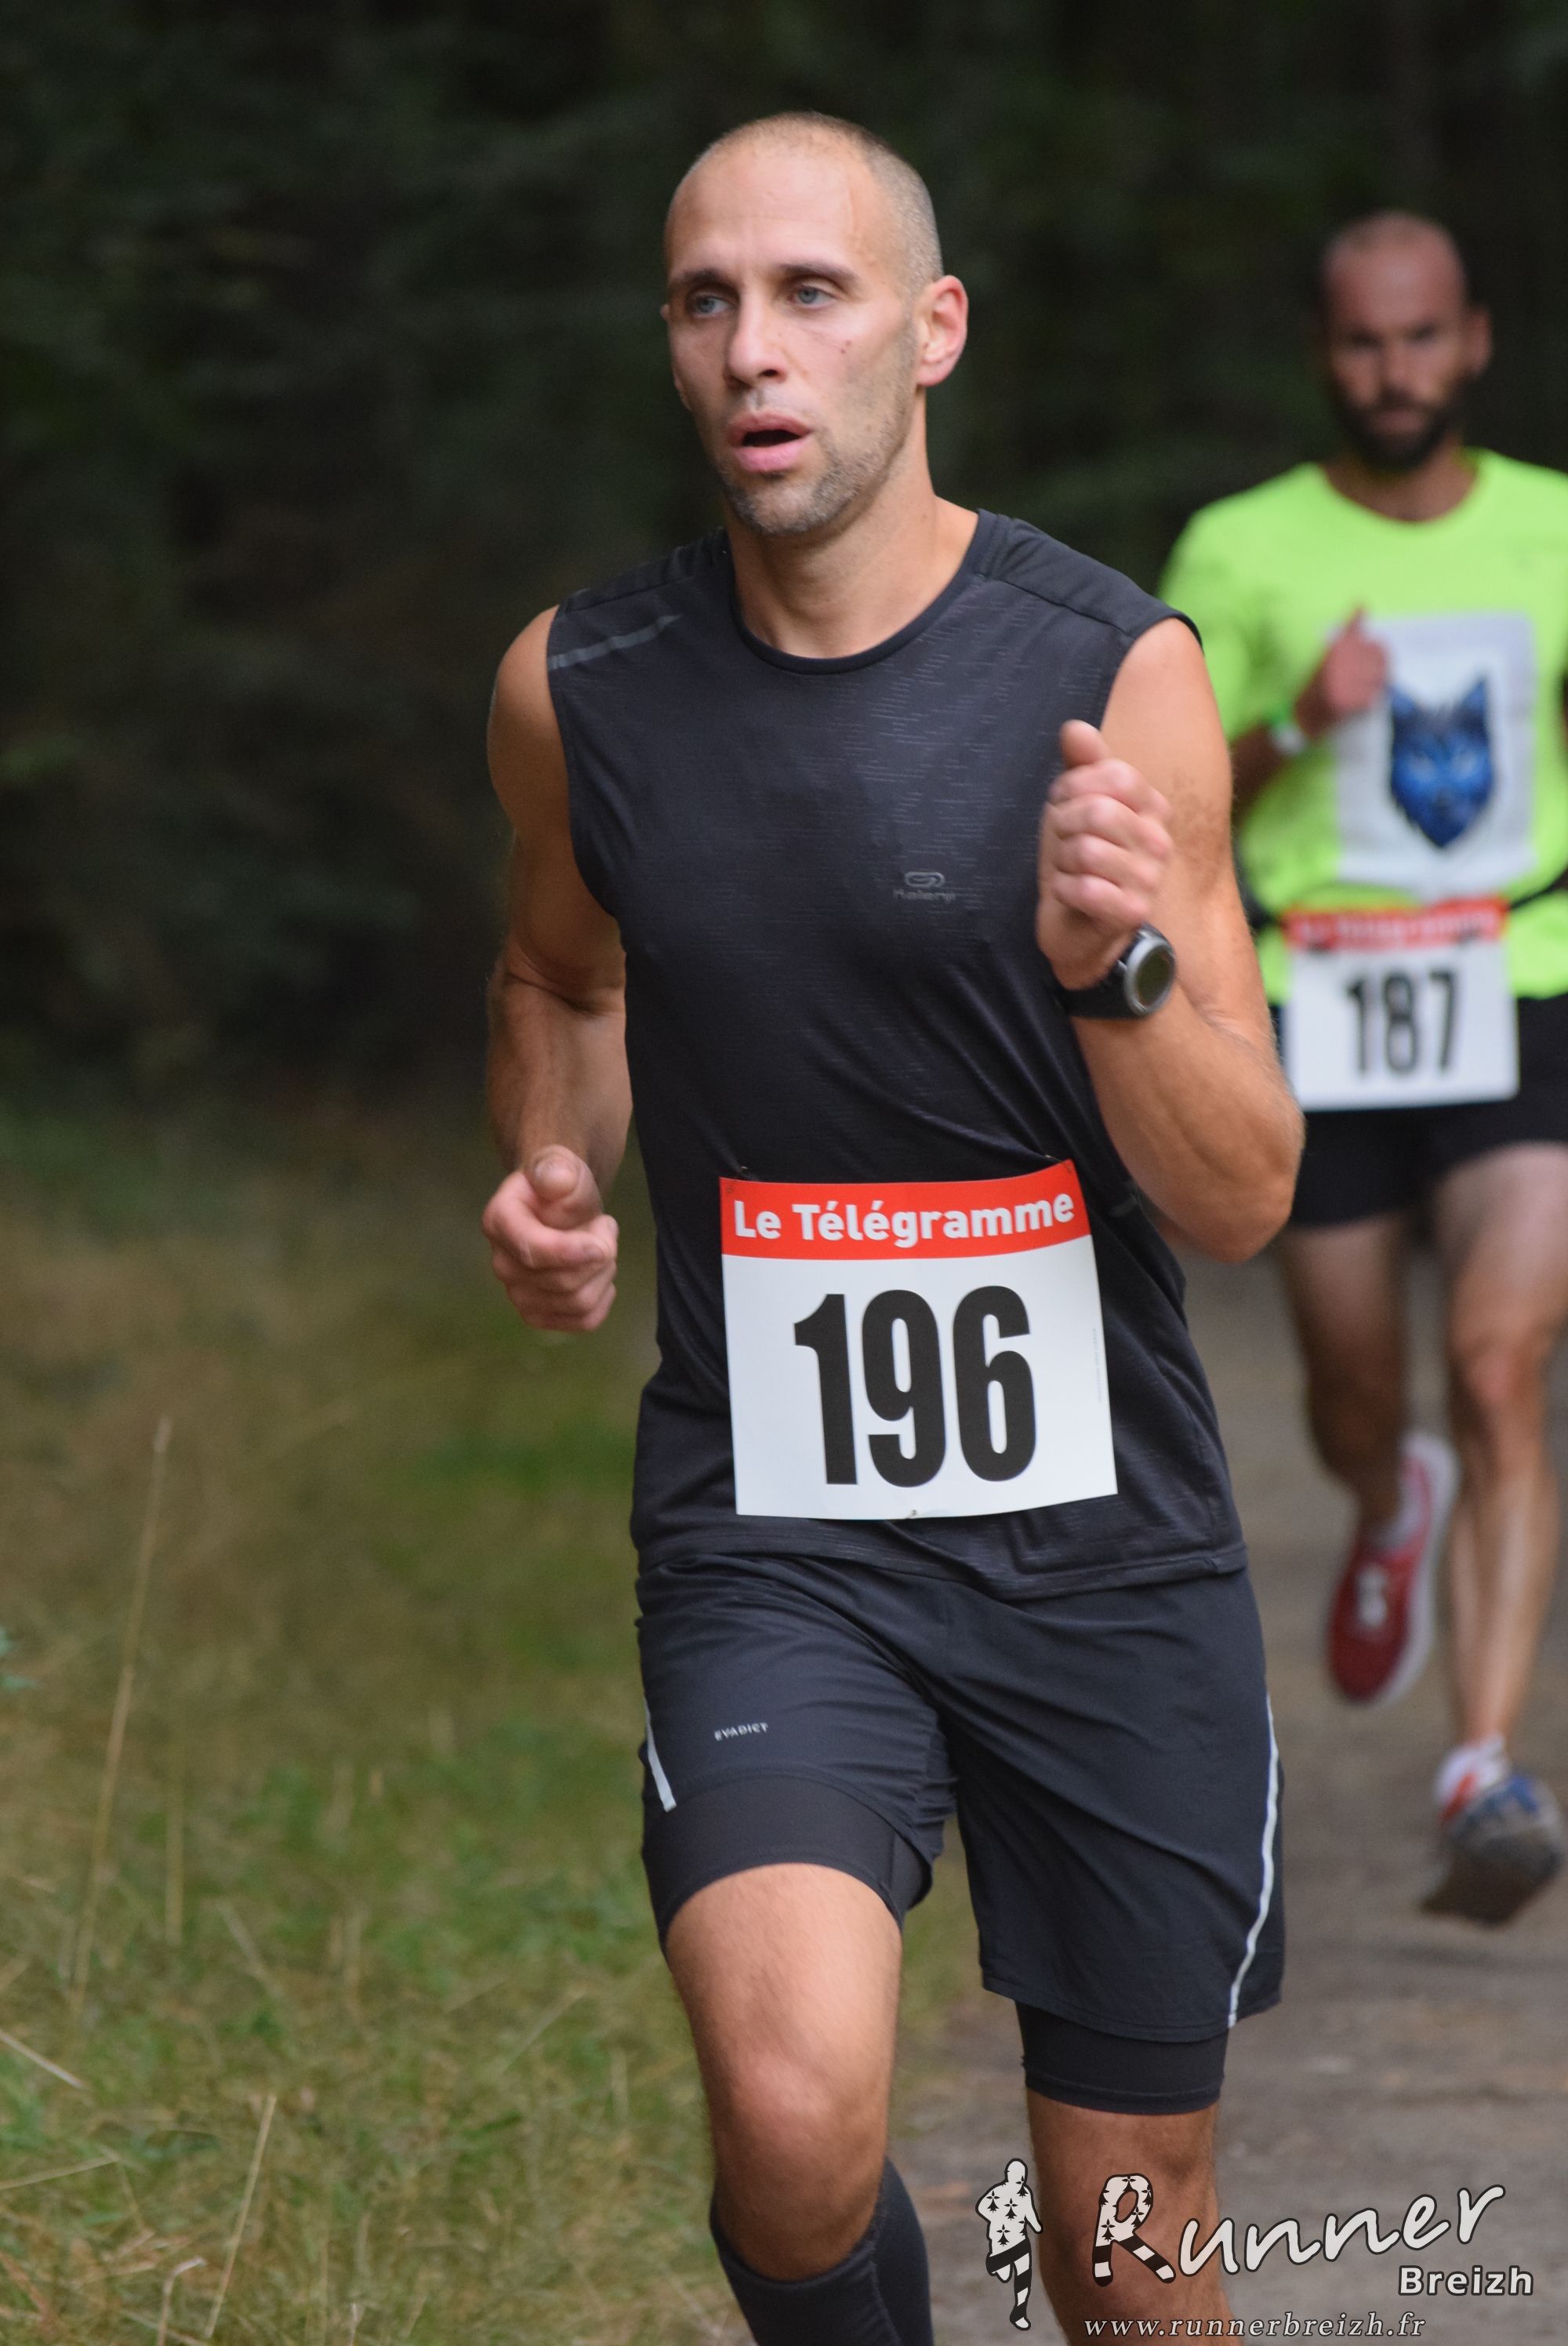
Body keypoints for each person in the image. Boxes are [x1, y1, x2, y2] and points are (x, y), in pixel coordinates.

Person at [483, 111, 1301, 2344]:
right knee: (788, 2110)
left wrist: (1113, 972)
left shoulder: (1107, 671)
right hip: (777, 1532)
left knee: (1127, 2250)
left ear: (930, 332)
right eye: (705, 300)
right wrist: (554, 1166)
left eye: (809, 294)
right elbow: (563, 978)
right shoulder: (582, 686)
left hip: (1103, 1548)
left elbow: (1242, 1191)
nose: (752, 348)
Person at [1162, 212, 1568, 1927]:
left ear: (1472, 340)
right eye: (1360, 343)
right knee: (1358, 1394)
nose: (1392, 372)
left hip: (1522, 979)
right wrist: (1299, 719)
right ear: (1322, 356)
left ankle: (1482, 1766)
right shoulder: (1241, 547)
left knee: (1499, 1366)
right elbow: (1165, 796)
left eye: (1419, 337)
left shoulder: (1554, 528)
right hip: (1314, 1000)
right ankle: (1383, 1489)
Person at [976, 2159, 1043, 2330]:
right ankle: (994, 2263)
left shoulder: (1025, 2193)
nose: (1020, 2180)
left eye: (1022, 2177)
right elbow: (982, 2207)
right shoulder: (998, 2192)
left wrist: (1038, 2226)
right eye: (1017, 2176)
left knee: (1024, 2275)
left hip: (1021, 2239)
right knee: (1004, 2274)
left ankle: (1019, 2313)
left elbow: (1030, 2212)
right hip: (1002, 2239)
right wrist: (996, 2218)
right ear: (1009, 2176)